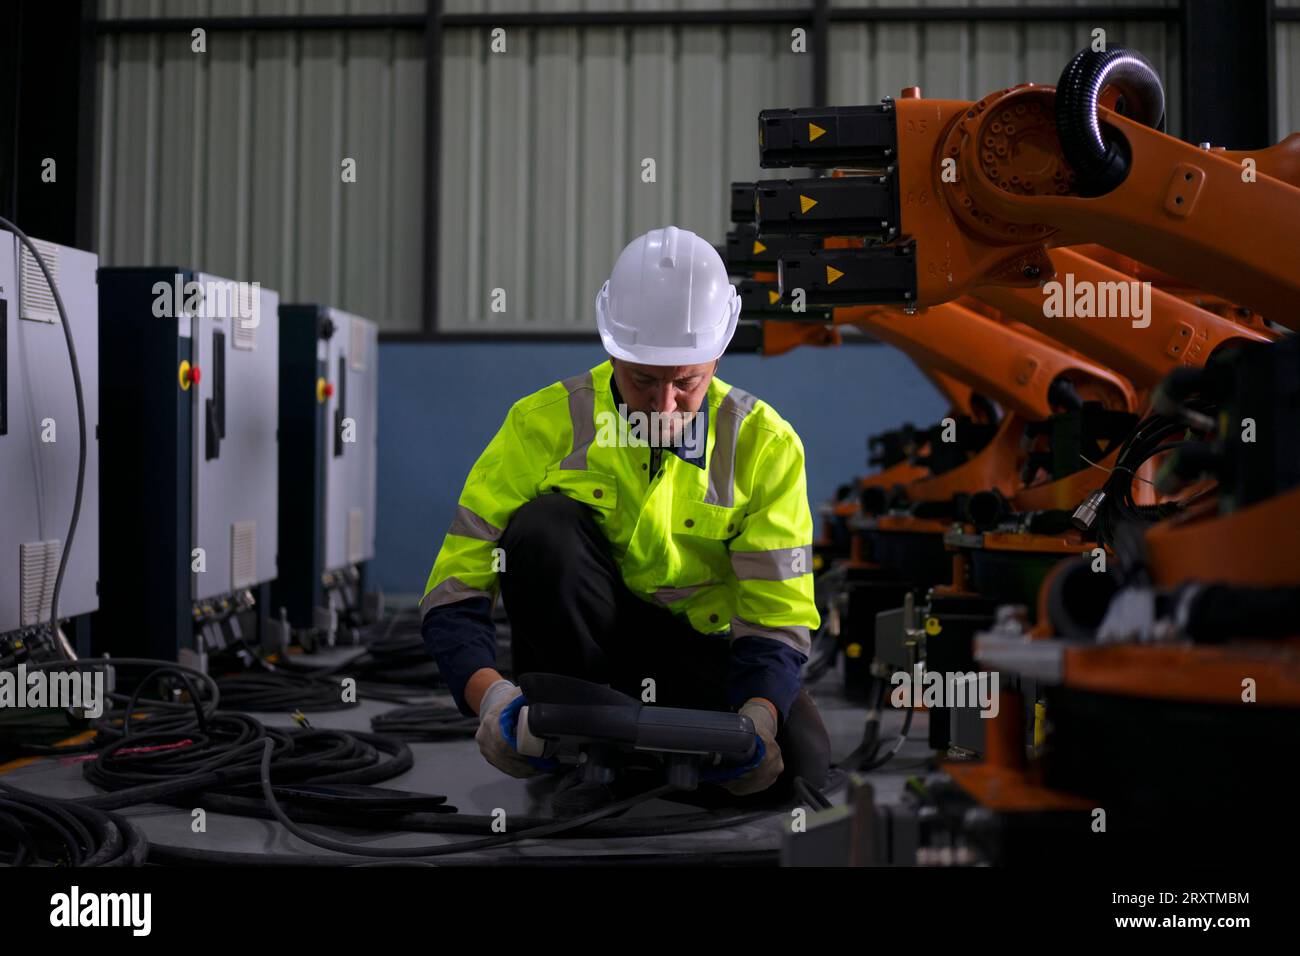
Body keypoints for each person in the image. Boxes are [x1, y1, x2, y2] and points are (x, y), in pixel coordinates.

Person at [420, 225, 830, 807]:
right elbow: (453, 590)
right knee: (543, 530)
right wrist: (489, 699)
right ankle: (585, 735)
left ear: (718, 354)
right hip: (584, 660)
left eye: (686, 382)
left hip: (697, 651)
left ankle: (610, 743)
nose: (664, 405)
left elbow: (776, 616)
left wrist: (758, 718)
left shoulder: (765, 445)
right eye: (643, 379)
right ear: (612, 349)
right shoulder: (541, 424)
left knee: (803, 763)